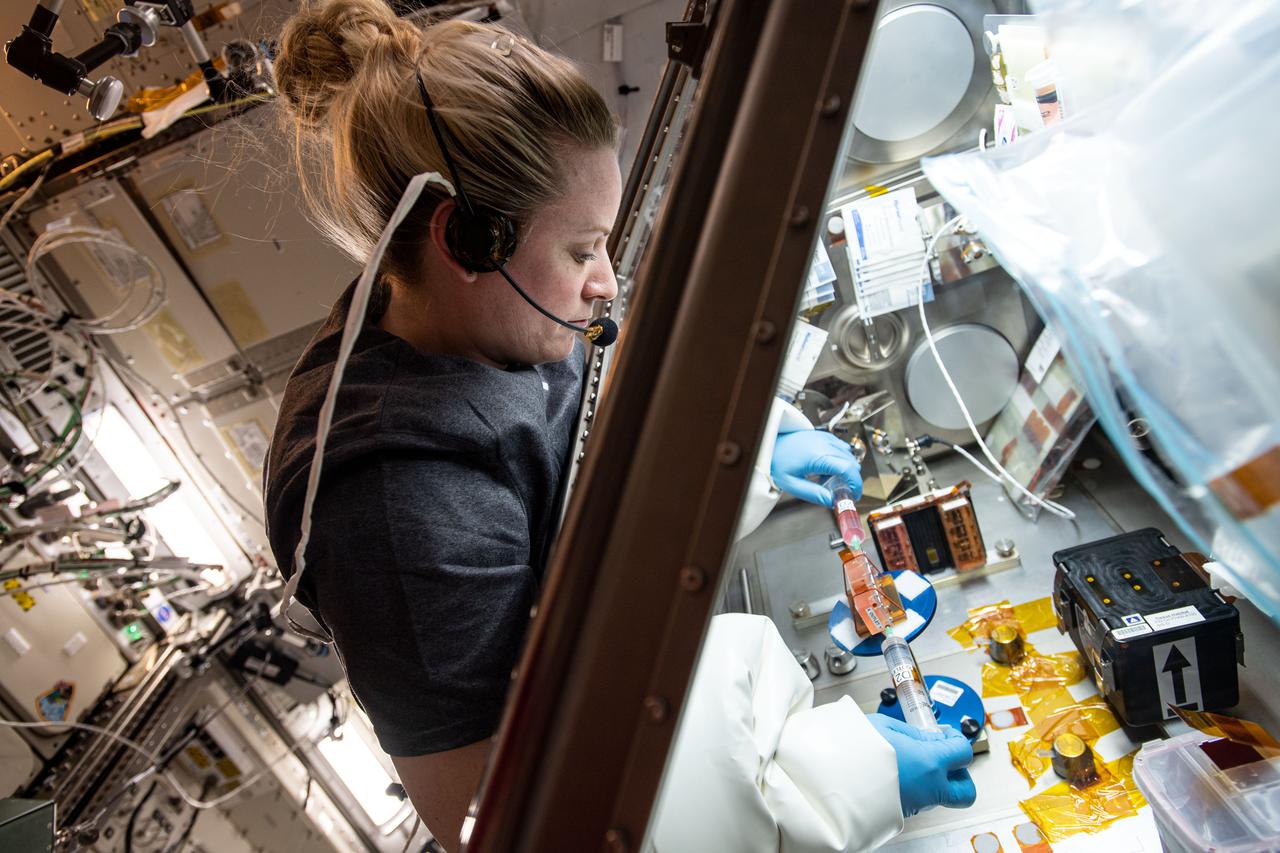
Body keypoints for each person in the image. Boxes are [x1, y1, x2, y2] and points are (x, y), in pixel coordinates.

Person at [264, 2, 975, 850]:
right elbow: (503, 820)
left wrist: (749, 453)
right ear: (467, 240)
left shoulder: (469, 309)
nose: (605, 282)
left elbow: (587, 434)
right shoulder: (396, 507)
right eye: (581, 249)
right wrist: (839, 783)